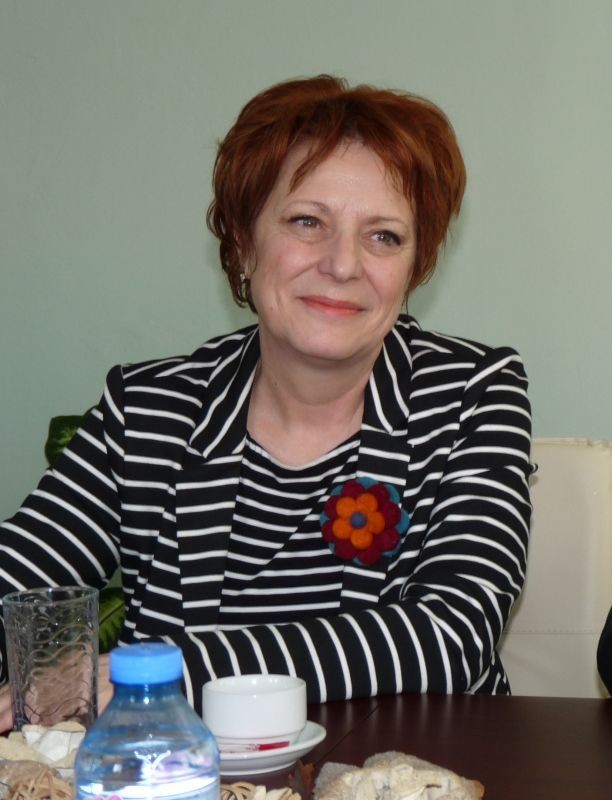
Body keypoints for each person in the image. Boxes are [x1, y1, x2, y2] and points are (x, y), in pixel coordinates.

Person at [0, 75, 532, 730]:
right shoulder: (149, 409)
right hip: (187, 773)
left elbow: (452, 635)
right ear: (243, 240)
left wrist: (171, 675)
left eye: (384, 236)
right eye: (307, 222)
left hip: (413, 771)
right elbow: (14, 588)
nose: (343, 264)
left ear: (413, 267)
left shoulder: (470, 394)